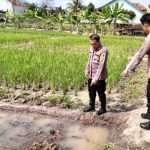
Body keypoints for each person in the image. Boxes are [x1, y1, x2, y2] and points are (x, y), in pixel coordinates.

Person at [121, 14, 150, 130]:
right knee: (149, 94)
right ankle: (149, 113)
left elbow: (139, 56)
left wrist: (128, 69)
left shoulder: (149, 39)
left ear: (146, 26)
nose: (143, 28)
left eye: (143, 26)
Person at [83, 34, 108, 115]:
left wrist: (96, 78)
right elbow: (89, 59)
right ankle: (91, 106)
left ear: (99, 42)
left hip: (99, 77)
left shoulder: (103, 50)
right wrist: (86, 69)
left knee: (101, 92)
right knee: (91, 91)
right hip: (91, 75)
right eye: (91, 44)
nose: (93, 46)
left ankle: (103, 108)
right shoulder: (92, 48)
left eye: (94, 44)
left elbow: (101, 65)